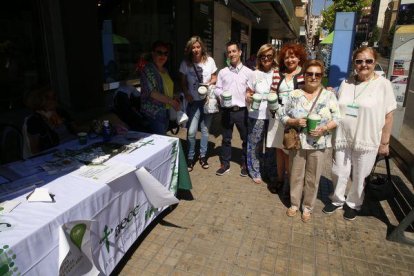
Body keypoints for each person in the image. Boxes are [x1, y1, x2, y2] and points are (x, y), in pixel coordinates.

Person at [323, 47, 397, 221]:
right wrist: (331, 94)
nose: (364, 65)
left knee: (360, 174)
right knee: (338, 170)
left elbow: (389, 115)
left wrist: (384, 143)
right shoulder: (347, 82)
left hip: (367, 137)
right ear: (354, 63)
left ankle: (354, 203)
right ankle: (337, 199)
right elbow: (338, 105)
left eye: (368, 61)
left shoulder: (383, 84)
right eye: (359, 61)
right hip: (343, 135)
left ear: (375, 62)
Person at [281, 59, 340, 222]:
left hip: (319, 144)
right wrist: (294, 121)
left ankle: (307, 207)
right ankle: (294, 204)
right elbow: (282, 115)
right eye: (309, 73)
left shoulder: (329, 96)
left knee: (313, 178)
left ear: (322, 76)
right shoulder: (294, 94)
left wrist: (325, 128)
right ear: (304, 75)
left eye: (317, 74)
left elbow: (338, 118)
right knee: (296, 175)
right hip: (298, 143)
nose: (313, 77)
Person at [266, 43, 307, 193]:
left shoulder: (304, 74)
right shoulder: (278, 73)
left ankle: (290, 183)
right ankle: (280, 178)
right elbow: (272, 90)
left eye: (293, 56)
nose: (290, 60)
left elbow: (310, 92)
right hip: (277, 115)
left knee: (290, 150)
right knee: (279, 149)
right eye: (287, 57)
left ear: (299, 58)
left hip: (293, 119)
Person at [214, 41, 253, 176]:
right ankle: (225, 164)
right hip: (227, 111)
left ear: (240, 52)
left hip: (242, 111)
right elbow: (217, 89)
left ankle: (244, 164)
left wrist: (250, 95)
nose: (231, 54)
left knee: (245, 139)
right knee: (226, 139)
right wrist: (221, 95)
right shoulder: (222, 72)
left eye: (234, 51)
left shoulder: (249, 72)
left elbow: (252, 90)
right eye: (229, 52)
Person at [179, 36, 217, 171]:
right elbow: (182, 82)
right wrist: (187, 93)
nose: (196, 49)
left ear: (202, 47)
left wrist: (208, 84)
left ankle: (203, 156)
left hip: (206, 101)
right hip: (194, 102)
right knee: (191, 132)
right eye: (193, 47)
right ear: (190, 49)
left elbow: (214, 77)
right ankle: (190, 157)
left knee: (206, 131)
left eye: (198, 47)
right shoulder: (185, 64)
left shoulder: (210, 61)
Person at [245, 44, 278, 184]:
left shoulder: (278, 73)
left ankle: (269, 172)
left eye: (269, 56)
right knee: (254, 144)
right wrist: (248, 97)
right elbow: (249, 92)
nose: (266, 59)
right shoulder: (254, 74)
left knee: (270, 146)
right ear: (259, 58)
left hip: (273, 115)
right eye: (263, 56)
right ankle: (254, 170)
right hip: (256, 115)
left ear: (273, 57)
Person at [140, 41, 181, 135]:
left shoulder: (165, 70)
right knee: (159, 141)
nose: (163, 56)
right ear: (153, 53)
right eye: (159, 52)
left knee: (162, 138)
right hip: (154, 113)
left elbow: (166, 89)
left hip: (165, 111)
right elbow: (152, 92)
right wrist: (171, 101)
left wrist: (174, 96)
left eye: (165, 53)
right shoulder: (148, 69)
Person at [23, 87, 77, 157]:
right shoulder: (34, 120)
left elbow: (77, 130)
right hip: (56, 154)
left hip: (75, 146)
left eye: (54, 96)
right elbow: (34, 150)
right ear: (39, 100)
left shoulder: (61, 112)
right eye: (47, 98)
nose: (53, 100)